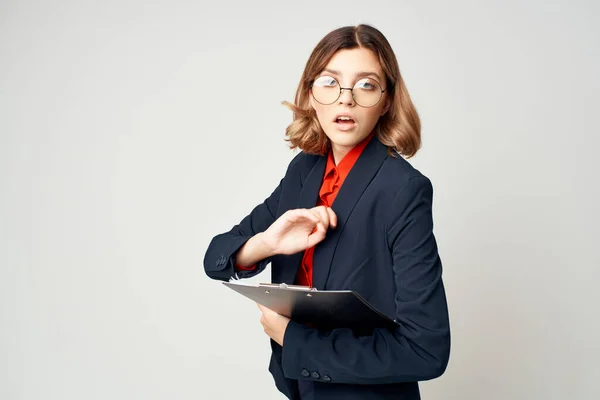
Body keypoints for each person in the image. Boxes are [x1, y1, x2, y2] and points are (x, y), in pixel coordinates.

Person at [204, 24, 450, 400]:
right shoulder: (304, 170)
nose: (345, 100)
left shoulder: (403, 189)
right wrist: (265, 243)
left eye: (366, 85)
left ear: (386, 101)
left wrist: (293, 339)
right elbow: (215, 258)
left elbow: (427, 351)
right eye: (329, 82)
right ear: (311, 93)